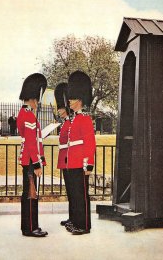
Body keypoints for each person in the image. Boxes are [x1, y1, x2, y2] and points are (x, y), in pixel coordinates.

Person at [17, 73, 48, 238]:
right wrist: (36, 164)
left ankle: (29, 226)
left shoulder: (26, 114)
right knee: (31, 193)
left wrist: (40, 159)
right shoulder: (28, 115)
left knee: (30, 192)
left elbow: (35, 141)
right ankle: (31, 228)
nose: (38, 102)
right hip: (30, 161)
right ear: (32, 98)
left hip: (30, 159)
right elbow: (30, 142)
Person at [65, 70, 96, 235]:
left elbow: (90, 144)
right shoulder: (75, 119)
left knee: (82, 196)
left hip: (80, 164)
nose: (69, 100)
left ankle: (84, 225)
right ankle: (77, 222)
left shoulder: (85, 118)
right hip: (72, 162)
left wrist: (88, 164)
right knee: (76, 196)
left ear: (79, 99)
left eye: (72, 98)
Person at [54, 82, 72, 227]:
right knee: (69, 191)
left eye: (60, 108)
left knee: (73, 191)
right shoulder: (65, 122)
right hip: (64, 158)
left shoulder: (71, 122)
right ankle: (71, 216)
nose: (59, 111)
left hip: (69, 159)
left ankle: (74, 217)